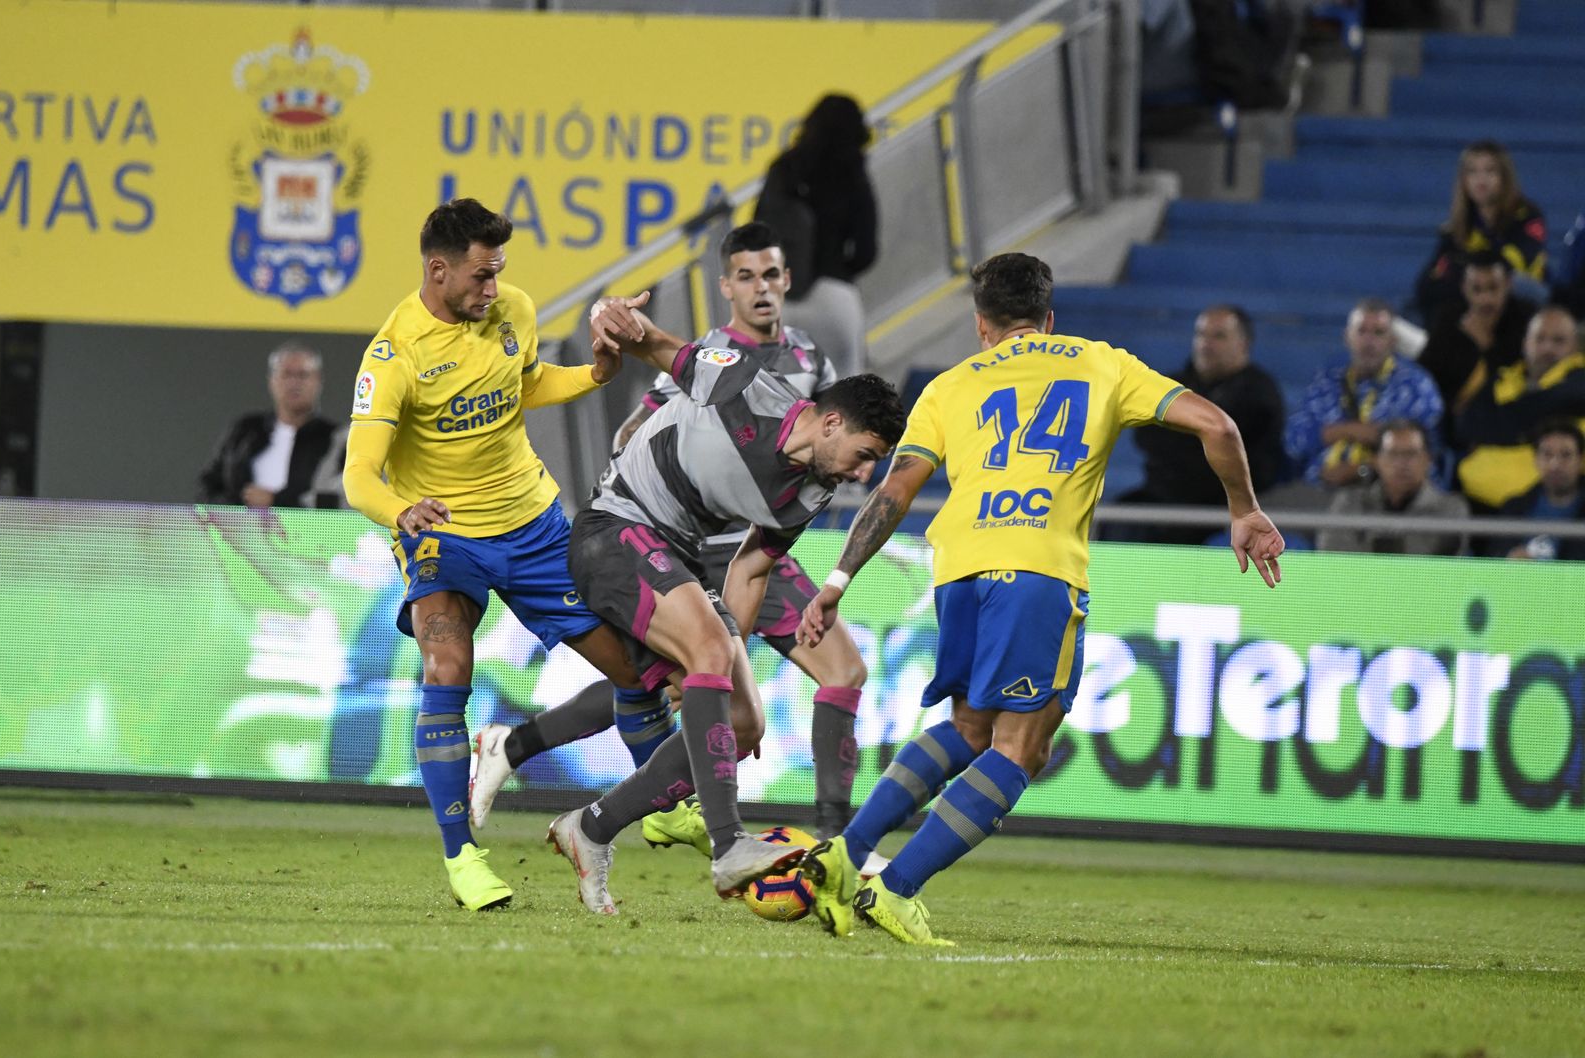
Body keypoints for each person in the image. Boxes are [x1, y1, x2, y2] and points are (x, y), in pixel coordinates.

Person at [795, 253, 1284, 946]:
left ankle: (844, 856)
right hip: (1037, 571)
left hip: (957, 569)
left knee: (969, 727)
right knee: (1021, 748)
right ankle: (894, 890)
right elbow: (1220, 427)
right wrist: (1243, 510)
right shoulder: (1104, 363)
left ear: (980, 324)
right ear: (1049, 317)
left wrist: (838, 581)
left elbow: (892, 493)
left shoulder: (950, 385)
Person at [507, 293, 906, 915]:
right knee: (709, 658)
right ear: (831, 423)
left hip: (679, 558)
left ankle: (591, 827)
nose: (861, 476)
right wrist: (610, 315)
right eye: (864, 457)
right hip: (613, 529)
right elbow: (652, 344)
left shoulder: (812, 492)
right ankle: (728, 847)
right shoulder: (744, 383)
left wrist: (718, 661)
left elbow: (750, 568)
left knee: (743, 723)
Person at [341, 198, 646, 912]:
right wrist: (402, 512)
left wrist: (594, 375)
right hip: (442, 536)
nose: (492, 288)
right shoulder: (394, 355)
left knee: (637, 668)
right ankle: (462, 857)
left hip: (532, 524)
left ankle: (654, 800)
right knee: (446, 667)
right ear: (437, 269)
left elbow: (526, 382)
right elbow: (359, 473)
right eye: (480, 276)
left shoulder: (514, 310)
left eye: (498, 272)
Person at [1117, 304, 1285, 543]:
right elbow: (1147, 435)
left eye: (1218, 336)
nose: (1206, 344)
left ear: (1244, 344)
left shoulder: (1259, 393)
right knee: (1119, 514)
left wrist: (1187, 441)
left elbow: (1244, 450)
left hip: (1221, 503)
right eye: (1201, 334)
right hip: (1163, 495)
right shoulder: (1173, 383)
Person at [754, 93, 878, 377]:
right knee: (846, 402)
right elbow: (866, 250)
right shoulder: (852, 173)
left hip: (780, 298)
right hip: (834, 295)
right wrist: (839, 270)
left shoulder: (784, 170)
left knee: (776, 400)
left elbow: (756, 234)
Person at [1284, 298, 1444, 489]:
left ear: (1392, 341)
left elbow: (1426, 455)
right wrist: (1349, 431)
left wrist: (1361, 469)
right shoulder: (1326, 382)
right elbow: (1293, 441)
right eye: (1361, 331)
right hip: (1318, 487)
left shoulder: (1415, 385)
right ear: (1347, 337)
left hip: (1385, 494)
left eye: (1378, 333)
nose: (1369, 341)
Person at [1456, 306, 1585, 509]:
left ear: (1575, 347)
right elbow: (1466, 426)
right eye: (1539, 339)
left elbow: (1558, 400)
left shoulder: (1579, 382)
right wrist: (1523, 431)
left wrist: (1497, 429)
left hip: (1554, 502)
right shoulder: (1503, 379)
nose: (1547, 348)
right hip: (1479, 499)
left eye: (1558, 341)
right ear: (1526, 344)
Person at [1414, 141, 1548, 324]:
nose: (1481, 179)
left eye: (1490, 171)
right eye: (1472, 172)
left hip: (1521, 300)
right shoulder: (1456, 227)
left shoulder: (1528, 216)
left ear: (1505, 177)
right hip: (1469, 297)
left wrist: (1460, 267)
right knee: (1411, 306)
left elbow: (1508, 266)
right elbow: (1427, 283)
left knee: (1509, 284)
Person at [198, 343, 338, 508]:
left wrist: (277, 501)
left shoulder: (335, 439)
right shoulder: (246, 431)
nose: (294, 383)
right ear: (272, 380)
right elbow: (209, 486)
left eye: (303, 375)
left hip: (305, 532)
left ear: (318, 381)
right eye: (286, 374)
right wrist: (233, 511)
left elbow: (342, 499)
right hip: (244, 530)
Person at [1315, 419, 1469, 556]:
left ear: (1428, 460)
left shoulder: (1451, 509)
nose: (1402, 463)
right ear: (1376, 460)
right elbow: (1332, 556)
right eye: (1392, 454)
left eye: (1411, 454)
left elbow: (1433, 566)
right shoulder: (1348, 502)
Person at [1416, 252, 1536, 420]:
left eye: (1493, 288)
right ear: (1464, 288)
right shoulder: (1450, 318)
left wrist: (1485, 344)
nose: (1485, 299)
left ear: (1508, 285)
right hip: (1452, 420)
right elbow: (1426, 372)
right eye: (1476, 289)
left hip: (1510, 416)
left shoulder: (1527, 320)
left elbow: (1526, 379)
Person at [1485, 419, 1585, 561]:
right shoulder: (1513, 508)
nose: (1555, 464)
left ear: (1580, 460)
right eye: (1547, 454)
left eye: (1566, 455)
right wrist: (1508, 560)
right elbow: (1492, 561)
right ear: (1536, 460)